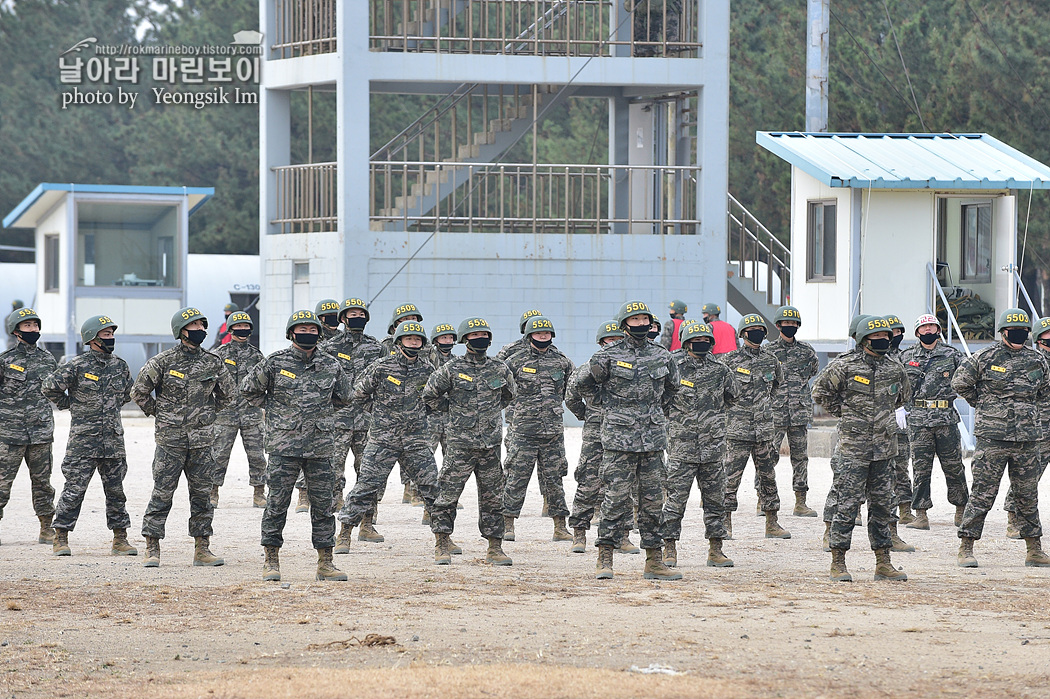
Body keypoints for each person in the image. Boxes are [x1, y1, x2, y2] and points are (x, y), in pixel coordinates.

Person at [242, 310, 352, 582]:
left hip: (320, 446)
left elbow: (344, 397)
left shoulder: (331, 364)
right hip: (284, 446)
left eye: (313, 329)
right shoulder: (274, 363)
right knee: (277, 505)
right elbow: (249, 389)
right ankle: (271, 560)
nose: (308, 333)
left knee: (324, 506)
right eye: (302, 329)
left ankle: (326, 563)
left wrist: (320, 416)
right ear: (291, 333)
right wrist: (277, 412)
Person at [576, 300, 681, 581]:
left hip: (652, 441)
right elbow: (583, 384)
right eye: (635, 321)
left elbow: (673, 388)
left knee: (652, 502)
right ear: (625, 325)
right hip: (618, 441)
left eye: (645, 320)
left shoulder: (662, 356)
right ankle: (605, 557)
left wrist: (657, 412)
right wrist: (606, 406)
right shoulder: (607, 356)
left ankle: (654, 561)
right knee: (614, 499)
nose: (641, 325)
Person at [132, 307, 237, 568]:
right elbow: (139, 392)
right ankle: (152, 547)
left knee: (202, 496)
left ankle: (202, 549)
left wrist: (207, 415)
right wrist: (159, 413)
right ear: (182, 332)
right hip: (171, 441)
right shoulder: (163, 361)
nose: (201, 331)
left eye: (203, 327)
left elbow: (228, 394)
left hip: (202, 442)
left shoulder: (213, 362)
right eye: (195, 327)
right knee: (162, 494)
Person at [812, 315, 911, 582]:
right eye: (876, 338)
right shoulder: (844, 366)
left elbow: (903, 396)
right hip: (853, 448)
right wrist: (847, 414)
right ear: (864, 340)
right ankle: (838, 562)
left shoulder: (894, 367)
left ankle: (883, 563)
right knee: (846, 505)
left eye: (885, 338)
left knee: (882, 507)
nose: (882, 341)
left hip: (884, 449)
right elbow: (820, 393)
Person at [952, 308, 1050, 569]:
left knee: (1027, 496)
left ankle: (1034, 550)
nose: (1019, 335)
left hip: (1027, 439)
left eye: (1024, 331)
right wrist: (985, 405)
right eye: (1014, 331)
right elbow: (960, 383)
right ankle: (966, 547)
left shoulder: (1037, 360)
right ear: (1004, 332)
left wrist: (1025, 412)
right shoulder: (984, 357)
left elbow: (1043, 391)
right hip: (992, 439)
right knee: (983, 494)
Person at [336, 320, 442, 553]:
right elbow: (359, 393)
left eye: (417, 339)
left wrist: (422, 415)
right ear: (399, 341)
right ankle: (344, 534)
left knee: (432, 488)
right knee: (365, 487)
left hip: (416, 441)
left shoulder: (428, 370)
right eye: (409, 339)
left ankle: (443, 539)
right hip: (383, 440)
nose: (413, 343)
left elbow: (437, 400)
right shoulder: (381, 367)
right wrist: (379, 413)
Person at [422, 316, 516, 566]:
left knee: (494, 498)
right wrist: (452, 411)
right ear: (465, 340)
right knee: (447, 496)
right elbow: (430, 395)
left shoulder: (499, 368)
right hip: (460, 446)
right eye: (474, 336)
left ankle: (495, 548)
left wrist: (489, 415)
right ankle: (442, 543)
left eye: (484, 335)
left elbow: (508, 396)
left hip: (490, 446)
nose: (480, 339)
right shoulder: (451, 369)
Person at [42, 315, 136, 557]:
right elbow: (49, 386)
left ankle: (120, 539)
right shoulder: (77, 365)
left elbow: (129, 392)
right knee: (74, 489)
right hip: (83, 441)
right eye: (106, 334)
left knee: (116, 491)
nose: (111, 338)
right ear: (93, 338)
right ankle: (60, 537)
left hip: (113, 441)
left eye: (112, 334)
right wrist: (70, 403)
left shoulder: (120, 366)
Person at [294, 297, 383, 538]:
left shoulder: (377, 347)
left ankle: (367, 523)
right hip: (336, 422)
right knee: (332, 473)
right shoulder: (329, 348)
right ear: (342, 318)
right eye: (352, 314)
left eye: (361, 313)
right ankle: (332, 524)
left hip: (368, 422)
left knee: (370, 474)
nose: (357, 318)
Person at [661, 321, 737, 568]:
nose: (702, 343)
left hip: (713, 448)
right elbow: (661, 398)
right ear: (685, 342)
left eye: (706, 339)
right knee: (674, 501)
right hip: (682, 448)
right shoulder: (672, 366)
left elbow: (732, 397)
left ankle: (716, 550)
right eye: (697, 340)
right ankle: (669, 548)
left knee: (716, 501)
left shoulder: (720, 369)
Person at [501, 316, 575, 543]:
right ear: (529, 335)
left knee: (554, 479)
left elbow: (573, 388)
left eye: (546, 333)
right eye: (538, 333)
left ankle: (560, 527)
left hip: (552, 431)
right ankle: (507, 524)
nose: (543, 336)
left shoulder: (561, 361)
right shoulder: (514, 361)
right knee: (516, 478)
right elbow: (501, 389)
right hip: (523, 431)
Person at [721, 313, 790, 540]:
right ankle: (725, 523)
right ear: (743, 334)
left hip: (763, 430)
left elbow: (778, 386)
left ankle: (772, 522)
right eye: (752, 330)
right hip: (737, 430)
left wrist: (766, 408)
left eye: (761, 329)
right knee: (731, 478)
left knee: (768, 476)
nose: (757, 333)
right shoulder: (729, 362)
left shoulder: (771, 360)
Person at [899, 313, 967, 530]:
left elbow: (969, 377)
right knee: (920, 468)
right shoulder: (906, 356)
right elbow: (895, 382)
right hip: (918, 420)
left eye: (932, 327)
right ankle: (920, 514)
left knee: (954, 466)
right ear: (917, 332)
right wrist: (898, 407)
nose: (928, 331)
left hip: (946, 418)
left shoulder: (952, 355)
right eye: (924, 328)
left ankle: (961, 510)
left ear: (938, 330)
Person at [566, 320, 627, 553]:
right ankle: (579, 533)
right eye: (610, 340)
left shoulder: (628, 370)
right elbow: (571, 397)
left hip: (623, 435)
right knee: (588, 482)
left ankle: (622, 536)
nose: (614, 344)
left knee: (622, 486)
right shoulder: (586, 368)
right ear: (601, 343)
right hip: (596, 434)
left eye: (618, 340)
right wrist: (589, 415)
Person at [0, 307, 57, 546]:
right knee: (2, 482)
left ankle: (46, 528)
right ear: (16, 331)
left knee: (43, 483)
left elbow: (56, 391)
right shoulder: (5, 361)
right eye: (27, 326)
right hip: (10, 434)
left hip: (41, 433)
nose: (33, 330)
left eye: (35, 325)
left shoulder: (48, 360)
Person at [767, 305, 820, 517]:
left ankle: (800, 502)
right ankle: (765, 498)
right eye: (786, 323)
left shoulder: (806, 351)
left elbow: (812, 372)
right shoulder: (769, 351)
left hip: (798, 411)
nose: (790, 326)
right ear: (778, 325)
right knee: (768, 456)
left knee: (800, 457)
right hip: (775, 412)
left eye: (793, 323)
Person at [211, 310, 267, 509]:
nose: (242, 330)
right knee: (218, 454)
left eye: (245, 326)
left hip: (251, 414)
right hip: (224, 415)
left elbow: (265, 383)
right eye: (238, 326)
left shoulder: (256, 355)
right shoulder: (219, 355)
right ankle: (213, 492)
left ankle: (259, 493)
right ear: (230, 328)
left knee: (257, 455)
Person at [1004, 315, 1050, 539]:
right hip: (1039, 428)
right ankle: (1014, 517)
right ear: (1038, 339)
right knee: (1029, 477)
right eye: (1047, 337)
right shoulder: (1031, 361)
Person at [427, 323, 458, 456]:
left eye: (450, 338)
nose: (447, 341)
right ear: (435, 340)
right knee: (424, 457)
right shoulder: (426, 361)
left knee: (452, 458)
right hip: (429, 418)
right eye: (444, 337)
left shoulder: (458, 362)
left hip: (451, 420)